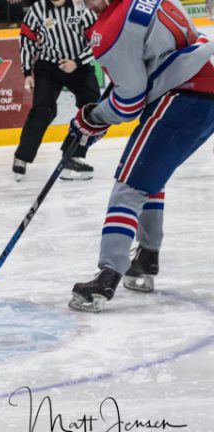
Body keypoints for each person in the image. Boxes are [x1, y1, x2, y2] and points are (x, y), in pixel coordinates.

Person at [67, 0, 214, 312]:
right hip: (204, 98)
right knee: (151, 179)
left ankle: (106, 279)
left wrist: (92, 117)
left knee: (128, 187)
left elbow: (128, 103)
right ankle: (146, 259)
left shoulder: (110, 29)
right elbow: (146, 68)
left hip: (178, 98)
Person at [13, 0, 100, 181]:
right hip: (48, 66)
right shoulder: (38, 9)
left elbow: (98, 37)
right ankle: (22, 156)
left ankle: (73, 155)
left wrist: (77, 62)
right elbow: (27, 38)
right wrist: (27, 72)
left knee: (92, 108)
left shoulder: (80, 6)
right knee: (43, 110)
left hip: (78, 65)